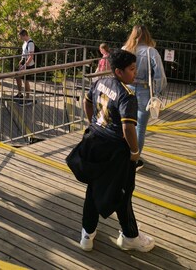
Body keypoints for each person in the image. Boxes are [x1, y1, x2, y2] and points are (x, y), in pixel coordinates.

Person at [70, 49, 155, 253]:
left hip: (94, 141)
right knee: (123, 190)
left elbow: (87, 102)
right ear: (119, 71)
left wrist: (94, 123)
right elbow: (128, 128)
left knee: (93, 188)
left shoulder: (100, 82)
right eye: (132, 69)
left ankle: (87, 234)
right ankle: (130, 236)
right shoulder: (127, 95)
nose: (135, 73)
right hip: (115, 150)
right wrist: (134, 151)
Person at [123, 25, 167, 170]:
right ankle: (134, 160)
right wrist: (157, 93)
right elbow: (160, 76)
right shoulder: (151, 52)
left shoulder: (125, 50)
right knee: (140, 128)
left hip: (126, 89)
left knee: (125, 124)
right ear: (147, 35)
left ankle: (122, 155)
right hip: (144, 91)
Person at [15, 29, 35, 100]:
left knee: (25, 80)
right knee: (18, 77)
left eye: (21, 37)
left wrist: (25, 65)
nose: (20, 38)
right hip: (24, 63)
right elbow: (24, 53)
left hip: (29, 64)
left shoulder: (30, 43)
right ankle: (20, 93)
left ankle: (27, 97)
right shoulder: (25, 43)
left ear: (25, 35)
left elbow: (31, 56)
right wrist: (21, 61)